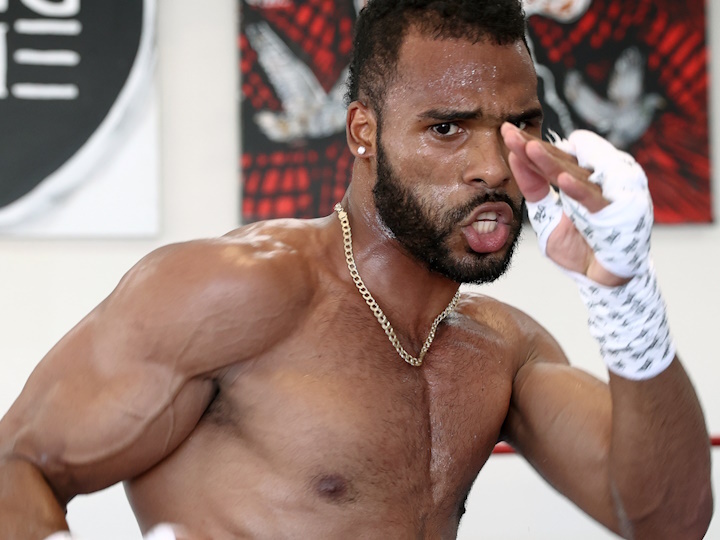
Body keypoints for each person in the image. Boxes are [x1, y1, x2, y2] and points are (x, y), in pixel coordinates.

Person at [0, 0, 713, 538]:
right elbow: (17, 466)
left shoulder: (502, 349)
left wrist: (626, 296)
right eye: (446, 128)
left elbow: (668, 521)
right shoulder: (236, 290)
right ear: (363, 132)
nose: (494, 167)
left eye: (518, 125)